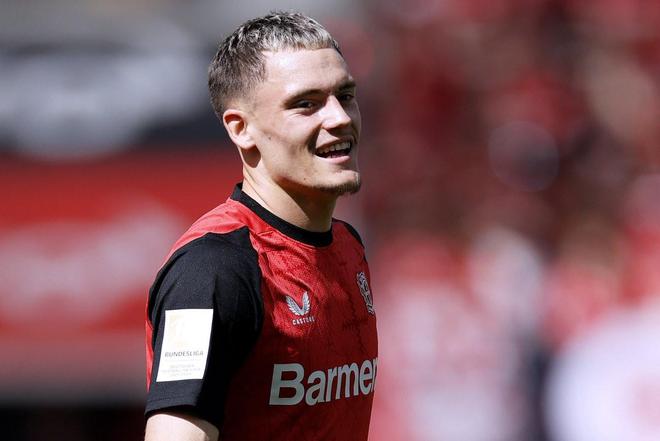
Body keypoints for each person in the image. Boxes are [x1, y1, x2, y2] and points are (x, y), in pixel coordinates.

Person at [144, 12, 378, 441]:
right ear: (241, 129)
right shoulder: (211, 270)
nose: (340, 118)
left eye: (345, 96)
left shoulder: (348, 246)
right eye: (306, 104)